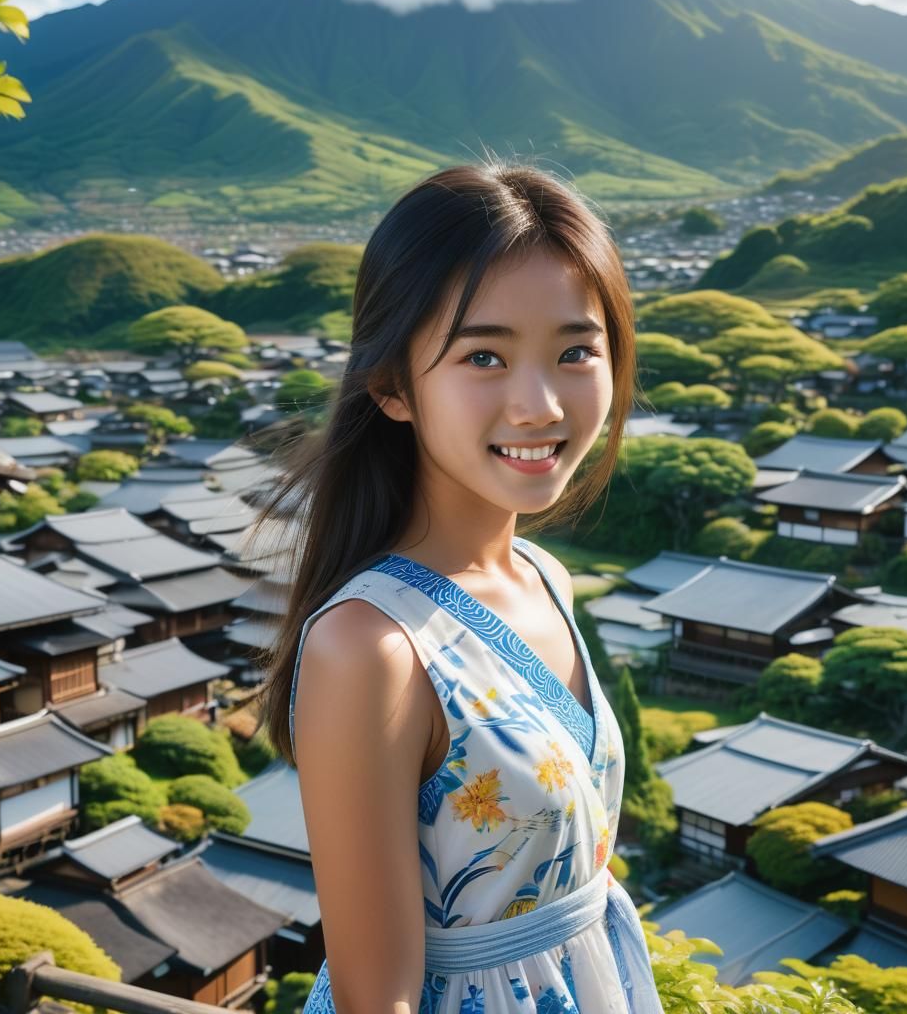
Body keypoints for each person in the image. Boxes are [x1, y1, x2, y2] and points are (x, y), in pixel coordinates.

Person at [257, 162, 664, 1013]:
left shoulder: (547, 579)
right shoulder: (372, 647)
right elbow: (381, 1000)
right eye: (484, 355)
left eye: (575, 351)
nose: (539, 404)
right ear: (391, 386)